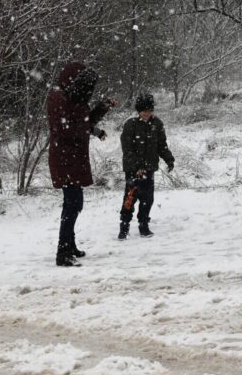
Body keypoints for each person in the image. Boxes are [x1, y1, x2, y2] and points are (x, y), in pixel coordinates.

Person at [47, 61, 116, 267]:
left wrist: (102, 107)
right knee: (71, 205)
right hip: (65, 160)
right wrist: (85, 127)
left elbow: (85, 121)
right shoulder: (58, 98)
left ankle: (70, 245)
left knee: (75, 204)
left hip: (73, 159)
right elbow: (67, 129)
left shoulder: (72, 98)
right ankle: (62, 252)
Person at [118, 93, 175, 240]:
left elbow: (161, 145)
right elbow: (127, 149)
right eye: (144, 111)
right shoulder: (130, 124)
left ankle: (144, 225)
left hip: (149, 168)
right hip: (133, 170)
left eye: (150, 111)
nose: (147, 114)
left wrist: (169, 159)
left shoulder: (157, 124)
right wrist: (136, 167)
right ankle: (124, 227)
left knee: (147, 199)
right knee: (130, 198)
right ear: (138, 111)